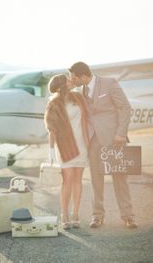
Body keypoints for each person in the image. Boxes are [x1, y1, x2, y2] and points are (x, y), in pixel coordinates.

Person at [68, 61, 138, 229]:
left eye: (73, 77)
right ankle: (97, 216)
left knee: (120, 178)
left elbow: (125, 107)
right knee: (95, 179)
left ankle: (128, 216)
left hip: (115, 138)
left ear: (83, 76)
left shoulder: (109, 83)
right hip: (93, 141)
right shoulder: (80, 90)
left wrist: (121, 133)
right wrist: (68, 86)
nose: (72, 80)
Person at [44, 74, 90, 229]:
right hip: (64, 146)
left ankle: (75, 213)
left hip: (81, 143)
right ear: (61, 86)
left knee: (78, 179)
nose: (71, 81)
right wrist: (50, 149)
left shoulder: (78, 97)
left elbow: (89, 116)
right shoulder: (54, 103)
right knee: (67, 180)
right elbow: (51, 128)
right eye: (68, 80)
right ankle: (64, 214)